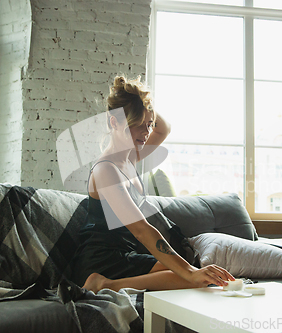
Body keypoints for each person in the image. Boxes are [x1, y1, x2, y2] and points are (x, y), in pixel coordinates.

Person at [69, 75, 234, 293]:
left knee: (194, 275)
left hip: (126, 256)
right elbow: (141, 230)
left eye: (149, 124)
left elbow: (164, 129)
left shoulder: (131, 157)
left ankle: (111, 284)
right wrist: (191, 273)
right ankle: (103, 284)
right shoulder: (106, 169)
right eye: (138, 125)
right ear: (114, 122)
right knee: (191, 279)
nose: (146, 133)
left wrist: (144, 102)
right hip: (100, 261)